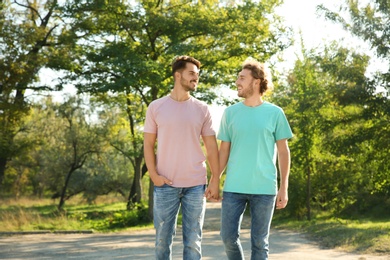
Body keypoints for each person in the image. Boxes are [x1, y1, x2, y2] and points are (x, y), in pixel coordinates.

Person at [143, 55, 220, 260]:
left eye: (198, 75)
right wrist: (154, 176)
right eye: (192, 74)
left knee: (193, 243)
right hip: (165, 184)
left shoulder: (202, 109)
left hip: (195, 185)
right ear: (178, 75)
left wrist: (215, 179)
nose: (196, 78)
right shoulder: (156, 107)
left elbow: (211, 147)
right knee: (162, 241)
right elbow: (148, 145)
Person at [218, 58, 293, 260]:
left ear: (256, 81)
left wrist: (283, 186)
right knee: (227, 237)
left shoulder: (275, 113)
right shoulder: (230, 113)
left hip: (264, 188)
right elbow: (223, 150)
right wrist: (215, 179)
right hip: (234, 187)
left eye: (242, 78)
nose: (237, 82)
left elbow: (284, 152)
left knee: (260, 243)